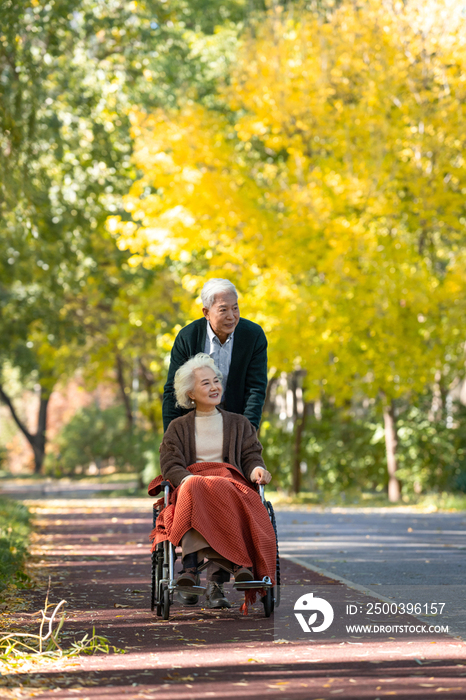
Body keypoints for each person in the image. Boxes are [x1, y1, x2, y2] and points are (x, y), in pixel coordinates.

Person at [150, 353, 276, 610]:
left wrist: (257, 471)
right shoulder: (177, 427)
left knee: (220, 486)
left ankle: (216, 576)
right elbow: (171, 464)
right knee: (196, 486)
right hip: (191, 485)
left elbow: (251, 456)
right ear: (191, 393)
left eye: (216, 381)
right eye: (205, 383)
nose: (214, 387)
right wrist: (187, 480)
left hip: (230, 483)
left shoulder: (239, 424)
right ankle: (195, 568)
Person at [162, 278, 268, 432]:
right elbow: (173, 391)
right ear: (206, 312)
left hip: (236, 420)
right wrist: (171, 439)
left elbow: (255, 389)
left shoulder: (253, 336)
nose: (231, 316)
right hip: (195, 421)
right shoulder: (188, 337)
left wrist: (247, 433)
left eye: (235, 308)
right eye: (223, 310)